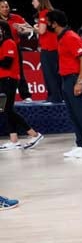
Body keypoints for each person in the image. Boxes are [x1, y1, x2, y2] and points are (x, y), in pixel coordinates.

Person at [48, 10, 82, 158]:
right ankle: (81, 144)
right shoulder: (64, 37)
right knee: (73, 114)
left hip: (74, 79)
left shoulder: (70, 37)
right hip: (66, 79)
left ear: (54, 23)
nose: (46, 25)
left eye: (48, 22)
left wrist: (80, 81)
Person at [0, 22, 44, 150]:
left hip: (9, 79)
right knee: (7, 110)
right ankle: (14, 140)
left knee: (8, 109)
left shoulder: (9, 43)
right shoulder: (2, 44)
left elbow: (7, 63)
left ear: (3, 30)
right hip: (3, 79)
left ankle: (34, 134)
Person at [0, 0, 33, 101]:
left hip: (14, 48)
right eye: (2, 7)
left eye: (6, 6)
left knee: (20, 71)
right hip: (1, 48)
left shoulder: (16, 18)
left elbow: (30, 29)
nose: (5, 8)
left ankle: (25, 95)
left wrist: (22, 31)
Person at [31, 0, 61, 104]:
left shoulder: (43, 13)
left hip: (49, 48)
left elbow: (42, 31)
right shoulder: (50, 12)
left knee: (49, 73)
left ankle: (54, 98)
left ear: (40, 1)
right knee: (54, 73)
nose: (32, 3)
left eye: (34, 0)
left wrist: (33, 28)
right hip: (54, 47)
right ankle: (57, 96)